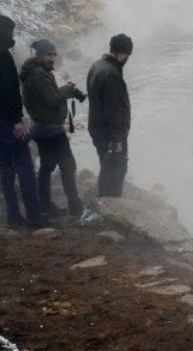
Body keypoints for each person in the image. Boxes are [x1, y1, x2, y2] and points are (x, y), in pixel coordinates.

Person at [0, 14, 46, 228]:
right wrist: (16, 120)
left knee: (6, 168)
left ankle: (13, 216)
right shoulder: (2, 56)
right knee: (25, 166)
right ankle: (35, 216)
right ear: (4, 32)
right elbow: (10, 91)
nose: (12, 35)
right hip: (8, 121)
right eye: (10, 31)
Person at [20, 38, 89, 220]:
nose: (52, 58)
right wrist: (67, 89)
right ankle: (76, 208)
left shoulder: (36, 72)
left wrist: (64, 90)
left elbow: (46, 97)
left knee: (47, 166)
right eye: (48, 54)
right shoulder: (38, 75)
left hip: (41, 128)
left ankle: (45, 205)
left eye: (53, 54)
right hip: (50, 130)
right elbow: (51, 100)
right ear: (40, 55)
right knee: (68, 166)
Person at [86, 33, 133, 197]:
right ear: (123, 53)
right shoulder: (112, 73)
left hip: (97, 127)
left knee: (105, 164)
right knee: (116, 168)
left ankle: (105, 199)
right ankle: (111, 203)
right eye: (127, 55)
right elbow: (113, 110)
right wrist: (118, 138)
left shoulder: (96, 65)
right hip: (109, 133)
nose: (127, 59)